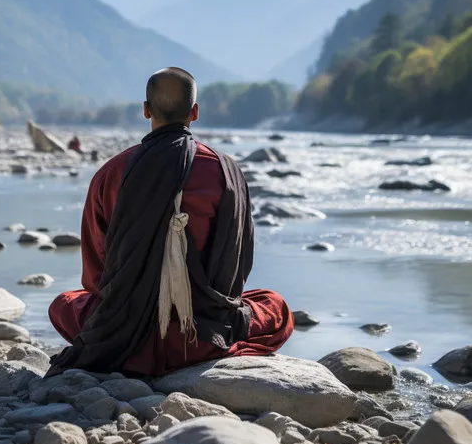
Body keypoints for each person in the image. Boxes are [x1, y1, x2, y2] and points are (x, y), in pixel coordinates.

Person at [47, 67, 293, 377]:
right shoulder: (226, 172)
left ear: (146, 109)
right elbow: (237, 267)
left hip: (123, 337)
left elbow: (97, 274)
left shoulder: (111, 173)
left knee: (63, 304)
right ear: (195, 112)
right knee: (276, 307)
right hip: (203, 337)